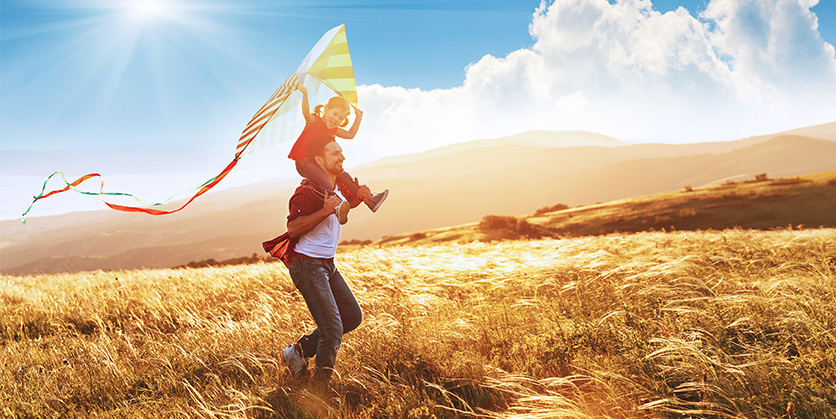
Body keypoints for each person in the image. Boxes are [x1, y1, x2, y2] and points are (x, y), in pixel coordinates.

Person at [263, 135, 368, 391]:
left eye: (341, 151)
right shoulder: (307, 190)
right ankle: (319, 392)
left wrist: (358, 198)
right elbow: (293, 227)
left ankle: (296, 352)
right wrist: (325, 211)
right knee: (332, 329)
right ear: (319, 160)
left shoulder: (334, 189)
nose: (342, 156)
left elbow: (339, 210)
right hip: (308, 265)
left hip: (327, 265)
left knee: (352, 317)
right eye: (335, 153)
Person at [288, 82, 387, 224]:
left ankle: (370, 199)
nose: (336, 119)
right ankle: (337, 207)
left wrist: (358, 117)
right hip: (304, 162)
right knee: (326, 182)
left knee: (344, 176)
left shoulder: (332, 130)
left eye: (340, 118)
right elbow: (305, 113)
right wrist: (305, 94)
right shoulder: (315, 121)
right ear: (326, 110)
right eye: (334, 114)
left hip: (319, 163)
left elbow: (350, 134)